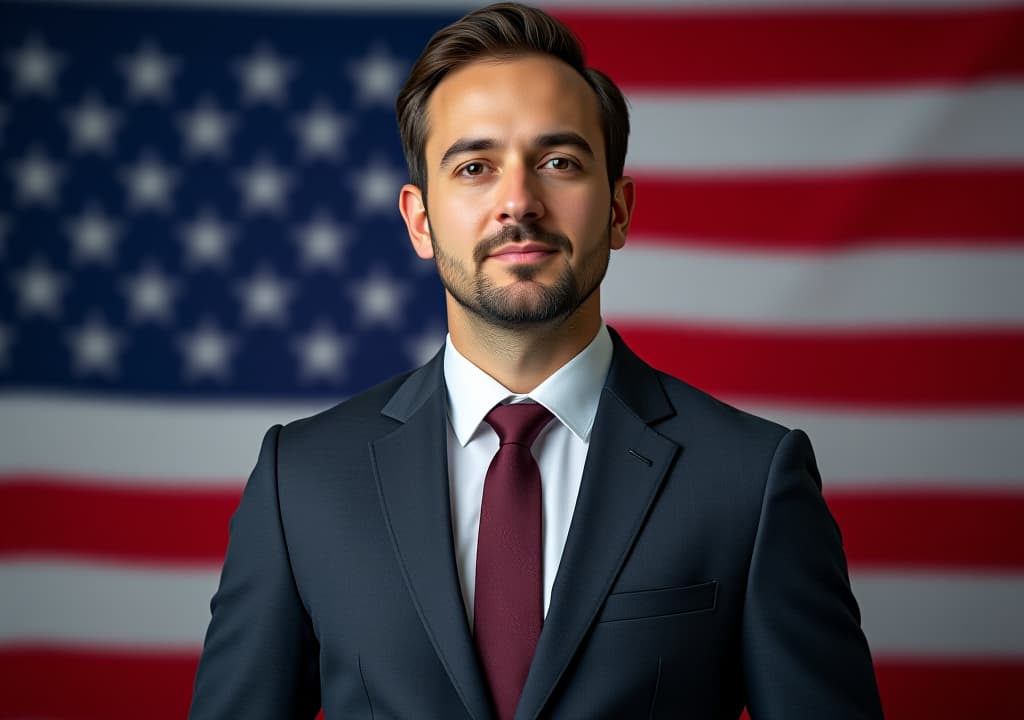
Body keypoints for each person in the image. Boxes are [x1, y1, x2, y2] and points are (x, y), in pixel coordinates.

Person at [189, 3, 884, 718]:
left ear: (617, 211)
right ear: (420, 221)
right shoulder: (299, 480)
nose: (518, 201)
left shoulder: (751, 479)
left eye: (558, 162)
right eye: (474, 166)